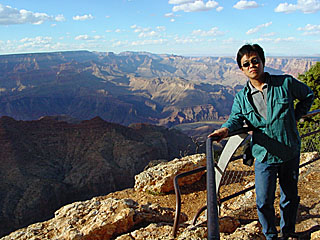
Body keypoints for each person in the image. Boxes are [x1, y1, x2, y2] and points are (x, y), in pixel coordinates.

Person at [208, 43, 314, 240]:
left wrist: (296, 116)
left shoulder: (285, 83)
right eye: (246, 64)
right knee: (263, 200)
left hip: (289, 151)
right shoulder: (242, 98)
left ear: (263, 62)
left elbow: (308, 95)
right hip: (264, 155)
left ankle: (288, 232)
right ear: (241, 69)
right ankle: (270, 236)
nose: (252, 66)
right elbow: (235, 119)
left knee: (289, 197)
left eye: (255, 61)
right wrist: (225, 130)